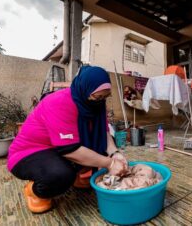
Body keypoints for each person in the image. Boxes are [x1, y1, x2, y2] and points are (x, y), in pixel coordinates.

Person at [7, 66, 128, 213]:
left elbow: (104, 133)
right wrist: (110, 163)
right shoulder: (59, 102)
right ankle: (34, 192)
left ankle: (77, 177)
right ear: (85, 89)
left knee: (100, 144)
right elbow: (69, 150)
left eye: (105, 97)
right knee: (60, 175)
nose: (101, 101)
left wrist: (115, 154)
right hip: (29, 152)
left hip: (59, 148)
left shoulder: (97, 105)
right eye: (98, 97)